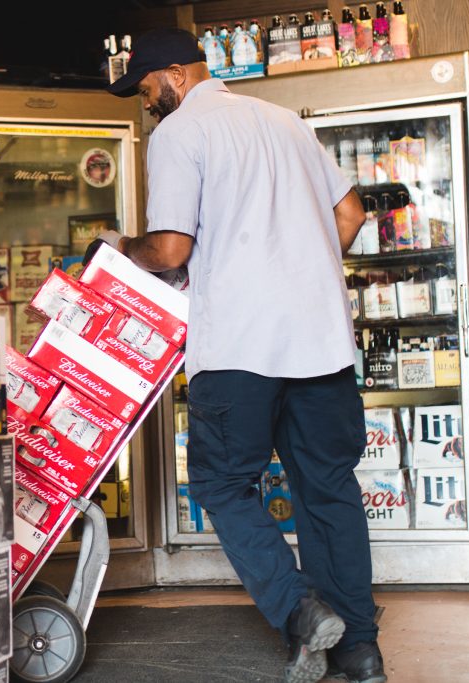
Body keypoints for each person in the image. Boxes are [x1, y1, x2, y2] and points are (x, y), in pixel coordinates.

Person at [89, 27, 386, 683]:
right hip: (322, 344)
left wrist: (115, 248)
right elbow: (352, 216)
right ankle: (360, 653)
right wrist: (297, 268)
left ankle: (300, 610)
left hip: (239, 348)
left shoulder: (179, 133)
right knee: (329, 491)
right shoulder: (286, 122)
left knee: (223, 484)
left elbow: (170, 251)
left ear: (173, 74)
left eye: (144, 90)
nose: (146, 104)